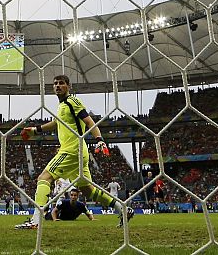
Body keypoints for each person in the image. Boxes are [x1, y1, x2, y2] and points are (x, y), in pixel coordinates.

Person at [15, 75, 133, 230]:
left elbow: (89, 121)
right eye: (55, 83)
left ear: (69, 86)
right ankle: (123, 209)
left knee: (44, 178)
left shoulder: (72, 101)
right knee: (87, 190)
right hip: (79, 152)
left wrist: (99, 139)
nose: (58, 86)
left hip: (72, 149)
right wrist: (35, 130)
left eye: (61, 83)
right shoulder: (62, 106)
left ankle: (35, 220)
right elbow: (56, 123)